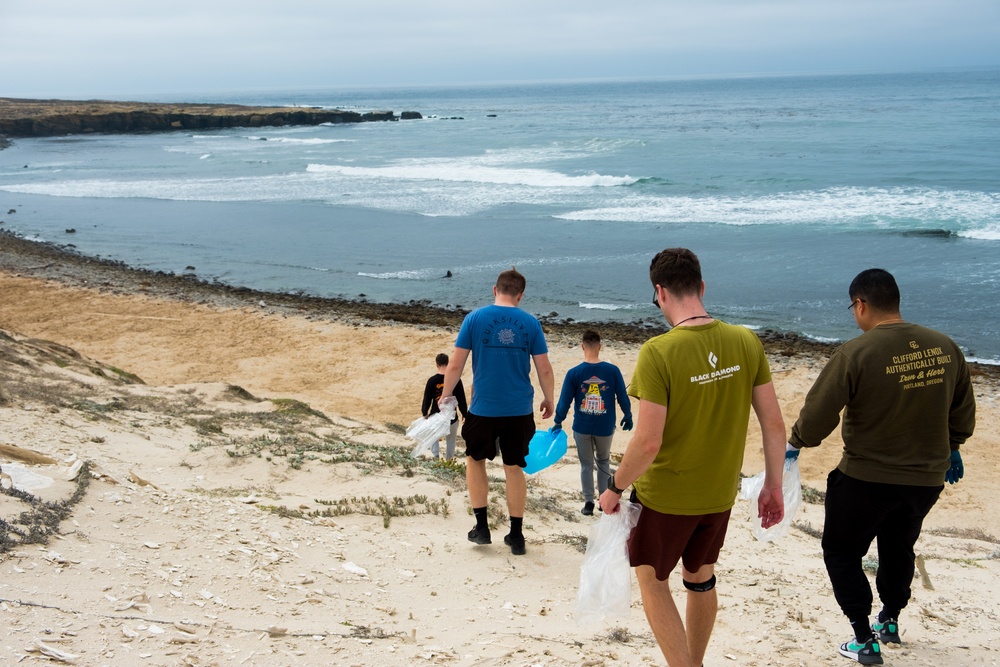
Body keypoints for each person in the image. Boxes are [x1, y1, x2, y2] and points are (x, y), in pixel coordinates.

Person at [598, 247, 786, 667]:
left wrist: (615, 487)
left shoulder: (659, 352)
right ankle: (695, 662)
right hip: (719, 494)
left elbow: (648, 442)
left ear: (660, 292)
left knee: (652, 578)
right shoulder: (745, 340)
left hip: (666, 497)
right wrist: (772, 487)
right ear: (702, 287)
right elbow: (774, 424)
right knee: (700, 577)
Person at [787, 268, 976, 665]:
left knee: (841, 552)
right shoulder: (945, 347)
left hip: (865, 479)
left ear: (861, 304)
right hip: (925, 481)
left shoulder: (856, 352)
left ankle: (862, 637)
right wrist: (953, 447)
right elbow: (963, 414)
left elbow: (820, 414)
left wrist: (796, 443)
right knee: (898, 546)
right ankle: (889, 620)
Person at [439, 268, 555, 556]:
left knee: (475, 459)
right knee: (514, 467)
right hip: (518, 410)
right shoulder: (530, 323)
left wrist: (446, 393)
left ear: (495, 289)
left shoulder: (475, 318)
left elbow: (455, 365)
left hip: (484, 409)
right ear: (520, 294)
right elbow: (544, 368)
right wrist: (549, 398)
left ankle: (482, 527)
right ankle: (516, 536)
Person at [553, 330, 633, 516]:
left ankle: (588, 502)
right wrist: (627, 415)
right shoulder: (612, 371)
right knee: (603, 461)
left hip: (581, 427)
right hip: (605, 427)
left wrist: (558, 420)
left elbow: (564, 401)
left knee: (586, 465)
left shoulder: (574, 373)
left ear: (583, 347)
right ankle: (604, 499)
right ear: (599, 346)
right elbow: (622, 395)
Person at [420, 353, 469, 460]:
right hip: (451, 416)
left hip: (436, 415)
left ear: (437, 364)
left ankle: (436, 456)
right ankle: (449, 460)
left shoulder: (432, 380)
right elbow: (461, 399)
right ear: (448, 363)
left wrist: (424, 412)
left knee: (433, 436)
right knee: (451, 440)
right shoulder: (456, 379)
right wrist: (464, 414)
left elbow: (427, 399)